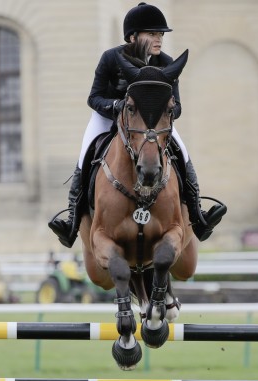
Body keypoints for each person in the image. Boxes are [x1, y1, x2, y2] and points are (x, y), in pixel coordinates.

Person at [48, 2, 226, 248]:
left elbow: (179, 107)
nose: (159, 39)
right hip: (109, 116)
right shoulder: (111, 58)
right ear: (133, 36)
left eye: (160, 34)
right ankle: (71, 221)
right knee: (85, 154)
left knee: (182, 154)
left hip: (151, 123)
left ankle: (198, 217)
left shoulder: (166, 62)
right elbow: (94, 97)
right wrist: (117, 107)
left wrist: (165, 110)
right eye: (153, 33)